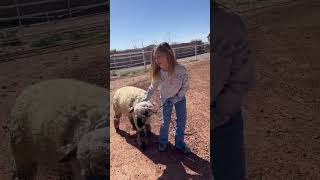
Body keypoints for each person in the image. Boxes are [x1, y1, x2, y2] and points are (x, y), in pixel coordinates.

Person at [211, 1, 255, 180]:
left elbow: (241, 79)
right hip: (223, 120)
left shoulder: (228, 23)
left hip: (223, 123)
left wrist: (218, 114)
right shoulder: (229, 22)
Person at [144, 42, 191, 154]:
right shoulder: (158, 73)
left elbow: (185, 86)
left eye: (159, 56)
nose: (156, 60)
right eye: (155, 57)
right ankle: (163, 142)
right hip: (165, 99)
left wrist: (176, 98)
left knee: (181, 120)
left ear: (168, 54)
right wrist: (145, 98)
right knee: (165, 122)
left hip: (179, 98)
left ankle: (179, 143)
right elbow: (153, 87)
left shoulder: (181, 69)